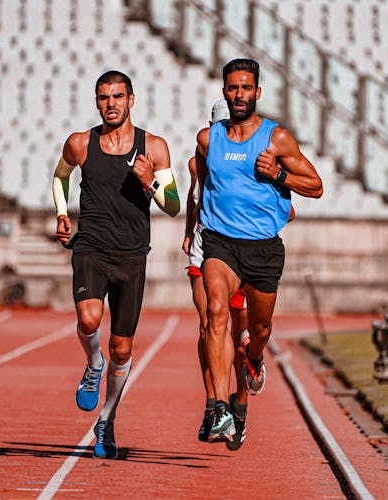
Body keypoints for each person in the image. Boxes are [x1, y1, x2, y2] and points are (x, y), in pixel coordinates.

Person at [52, 70, 180, 459]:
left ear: (132, 100)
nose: (111, 104)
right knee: (89, 321)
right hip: (90, 247)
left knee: (122, 350)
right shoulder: (80, 143)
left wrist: (151, 183)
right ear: (96, 102)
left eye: (118, 96)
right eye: (104, 97)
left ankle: (106, 421)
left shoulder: (154, 147)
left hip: (132, 255)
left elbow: (173, 206)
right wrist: (62, 213)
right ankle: (93, 362)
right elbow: (59, 178)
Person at [194, 58, 322, 443]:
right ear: (224, 92)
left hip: (263, 248)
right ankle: (217, 408)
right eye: (232, 88)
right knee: (215, 310)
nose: (239, 95)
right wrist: (192, 231)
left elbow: (316, 186)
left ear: (257, 93)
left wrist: (277, 174)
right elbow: (202, 188)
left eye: (246, 88)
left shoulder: (276, 138)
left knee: (259, 329)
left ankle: (253, 359)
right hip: (220, 242)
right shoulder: (206, 139)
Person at [183, 99, 249, 451]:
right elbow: (194, 200)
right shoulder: (197, 163)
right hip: (206, 247)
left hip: (245, 250)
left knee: (243, 338)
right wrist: (189, 230)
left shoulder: (250, 162)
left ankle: (239, 403)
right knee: (210, 322)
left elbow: (289, 210)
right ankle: (214, 405)